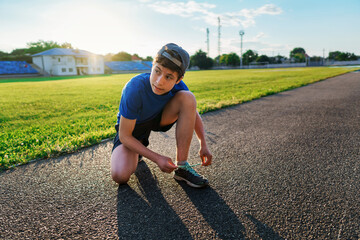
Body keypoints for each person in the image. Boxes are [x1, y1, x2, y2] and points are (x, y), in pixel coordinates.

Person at [111, 43, 212, 188]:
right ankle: (137, 150)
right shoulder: (134, 88)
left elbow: (192, 112)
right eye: (157, 71)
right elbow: (124, 136)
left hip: (161, 118)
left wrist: (203, 144)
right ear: (152, 65)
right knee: (120, 175)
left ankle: (182, 168)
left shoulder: (180, 87)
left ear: (178, 79)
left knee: (188, 98)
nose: (159, 81)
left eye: (169, 77)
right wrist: (157, 158)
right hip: (134, 129)